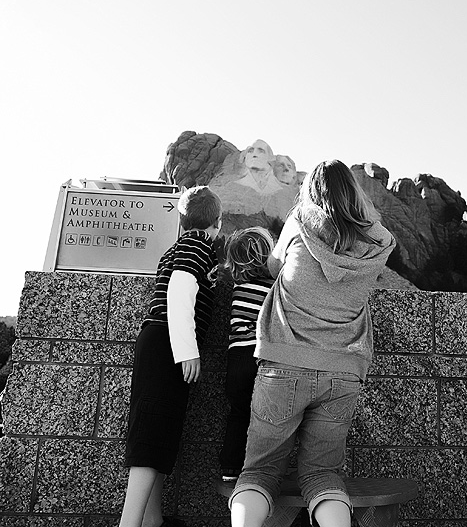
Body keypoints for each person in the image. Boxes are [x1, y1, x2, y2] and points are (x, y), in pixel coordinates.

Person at [229, 160, 396, 527]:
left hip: (283, 363)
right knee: (323, 476)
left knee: (259, 474)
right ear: (353, 191)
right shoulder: (379, 242)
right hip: (344, 371)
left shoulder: (299, 223)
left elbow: (275, 268)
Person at [119, 186, 222, 527]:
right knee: (152, 434)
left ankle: (153, 521)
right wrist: (187, 350)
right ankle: (130, 523)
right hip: (168, 343)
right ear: (217, 224)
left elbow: (184, 279)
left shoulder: (179, 247)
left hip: (158, 342)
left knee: (159, 431)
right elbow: (180, 287)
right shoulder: (197, 245)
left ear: (180, 220)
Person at [216, 227, 276, 482]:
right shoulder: (273, 289)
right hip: (260, 357)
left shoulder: (238, 286)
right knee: (263, 417)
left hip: (236, 359)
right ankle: (257, 469)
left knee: (238, 414)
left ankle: (230, 467)